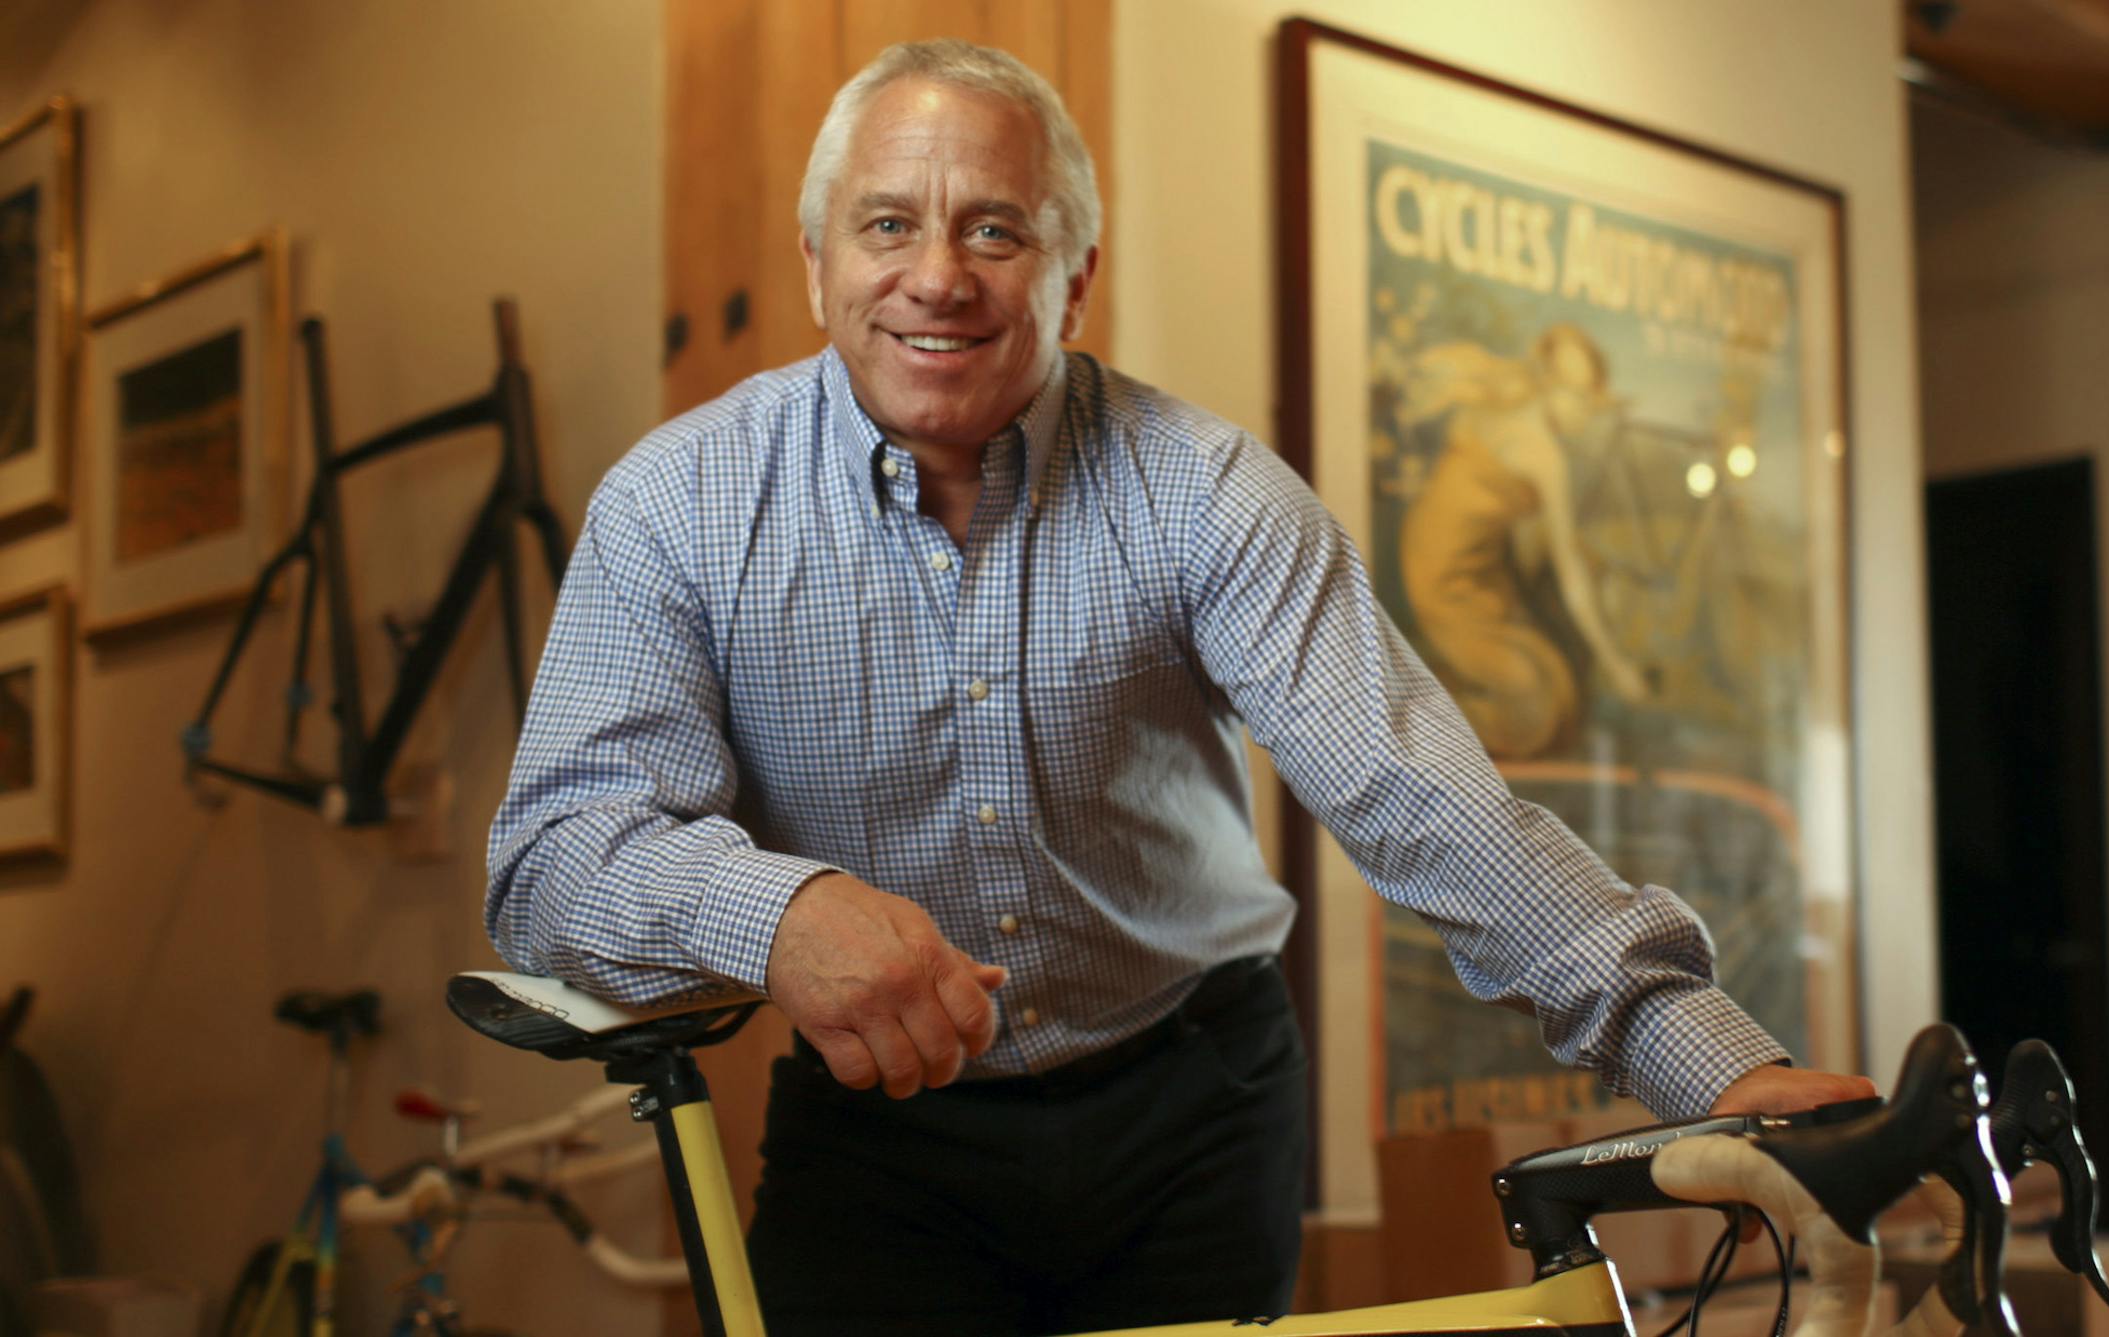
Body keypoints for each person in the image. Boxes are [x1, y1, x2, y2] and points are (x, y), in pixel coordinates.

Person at [486, 38, 1873, 1337]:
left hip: (1197, 1105)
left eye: (995, 230)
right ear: (816, 264)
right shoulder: (676, 506)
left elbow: (1418, 795)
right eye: (888, 224)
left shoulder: (1205, 490)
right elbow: (552, 859)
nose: (937, 277)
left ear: (1074, 277)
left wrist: (1703, 1059)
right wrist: (775, 910)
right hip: (877, 1135)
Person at [1392, 326, 1652, 758]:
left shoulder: (1505, 402)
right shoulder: (1544, 455)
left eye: (1592, 398)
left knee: (1555, 685)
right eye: (1580, 397)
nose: (1587, 412)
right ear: (1550, 385)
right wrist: (1615, 663)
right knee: (1540, 700)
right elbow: (1571, 576)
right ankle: (1424, 733)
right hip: (1446, 578)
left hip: (1470, 562)